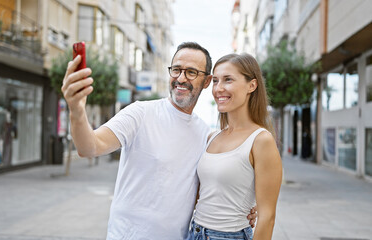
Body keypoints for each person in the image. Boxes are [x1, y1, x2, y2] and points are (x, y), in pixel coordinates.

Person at [61, 42, 257, 239]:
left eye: (191, 72)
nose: (181, 78)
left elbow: (210, 188)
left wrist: (244, 208)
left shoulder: (205, 134)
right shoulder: (140, 113)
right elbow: (90, 147)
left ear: (206, 82)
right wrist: (77, 110)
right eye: (176, 70)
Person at [188, 53, 282, 240]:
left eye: (228, 80)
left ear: (252, 85)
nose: (219, 88)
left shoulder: (261, 140)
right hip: (195, 232)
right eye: (215, 81)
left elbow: (267, 217)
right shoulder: (212, 137)